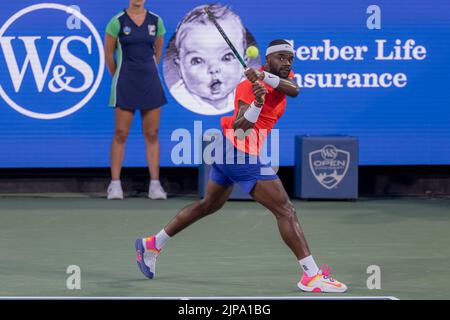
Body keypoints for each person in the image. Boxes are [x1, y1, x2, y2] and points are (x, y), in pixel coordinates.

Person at [135, 40, 348, 293]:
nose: (287, 63)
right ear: (268, 59)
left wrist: (264, 77)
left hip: (228, 151)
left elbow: (295, 90)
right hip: (239, 152)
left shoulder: (278, 76)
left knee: (208, 205)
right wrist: (257, 104)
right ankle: (311, 277)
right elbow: (240, 127)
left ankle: (152, 243)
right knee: (285, 210)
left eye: (290, 58)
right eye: (281, 58)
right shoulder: (247, 87)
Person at [105, 0, 168, 200]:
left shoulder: (156, 21)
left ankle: (155, 185)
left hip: (150, 82)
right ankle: (115, 185)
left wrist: (145, 71)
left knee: (152, 133)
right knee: (120, 133)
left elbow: (157, 52)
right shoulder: (116, 21)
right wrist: (120, 76)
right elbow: (109, 54)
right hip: (125, 82)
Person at [168, 4, 247, 115]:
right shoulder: (179, 99)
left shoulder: (250, 92)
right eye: (197, 60)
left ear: (244, 61)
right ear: (180, 67)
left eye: (227, 57)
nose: (213, 69)